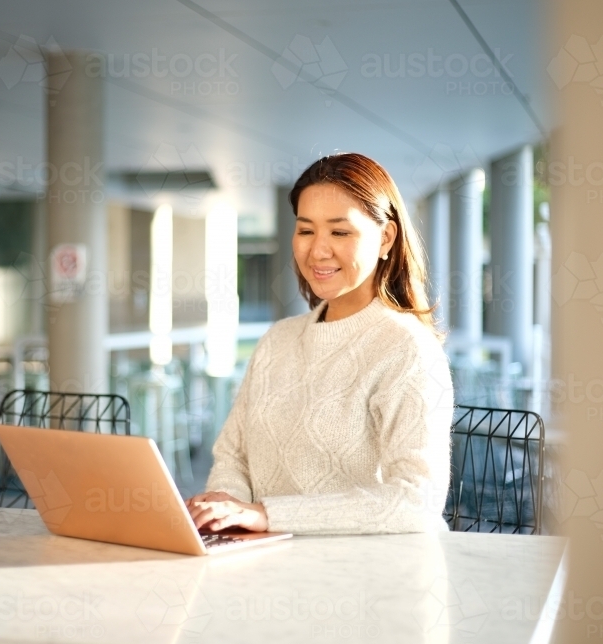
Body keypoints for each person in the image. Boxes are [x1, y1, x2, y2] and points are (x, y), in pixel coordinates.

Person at [186, 153, 453, 535]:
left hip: (374, 579)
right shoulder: (276, 341)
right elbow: (232, 457)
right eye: (306, 230)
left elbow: (417, 502)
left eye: (340, 232)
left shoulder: (407, 349)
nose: (318, 250)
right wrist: (226, 513)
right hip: (268, 564)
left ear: (386, 237)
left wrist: (266, 515)